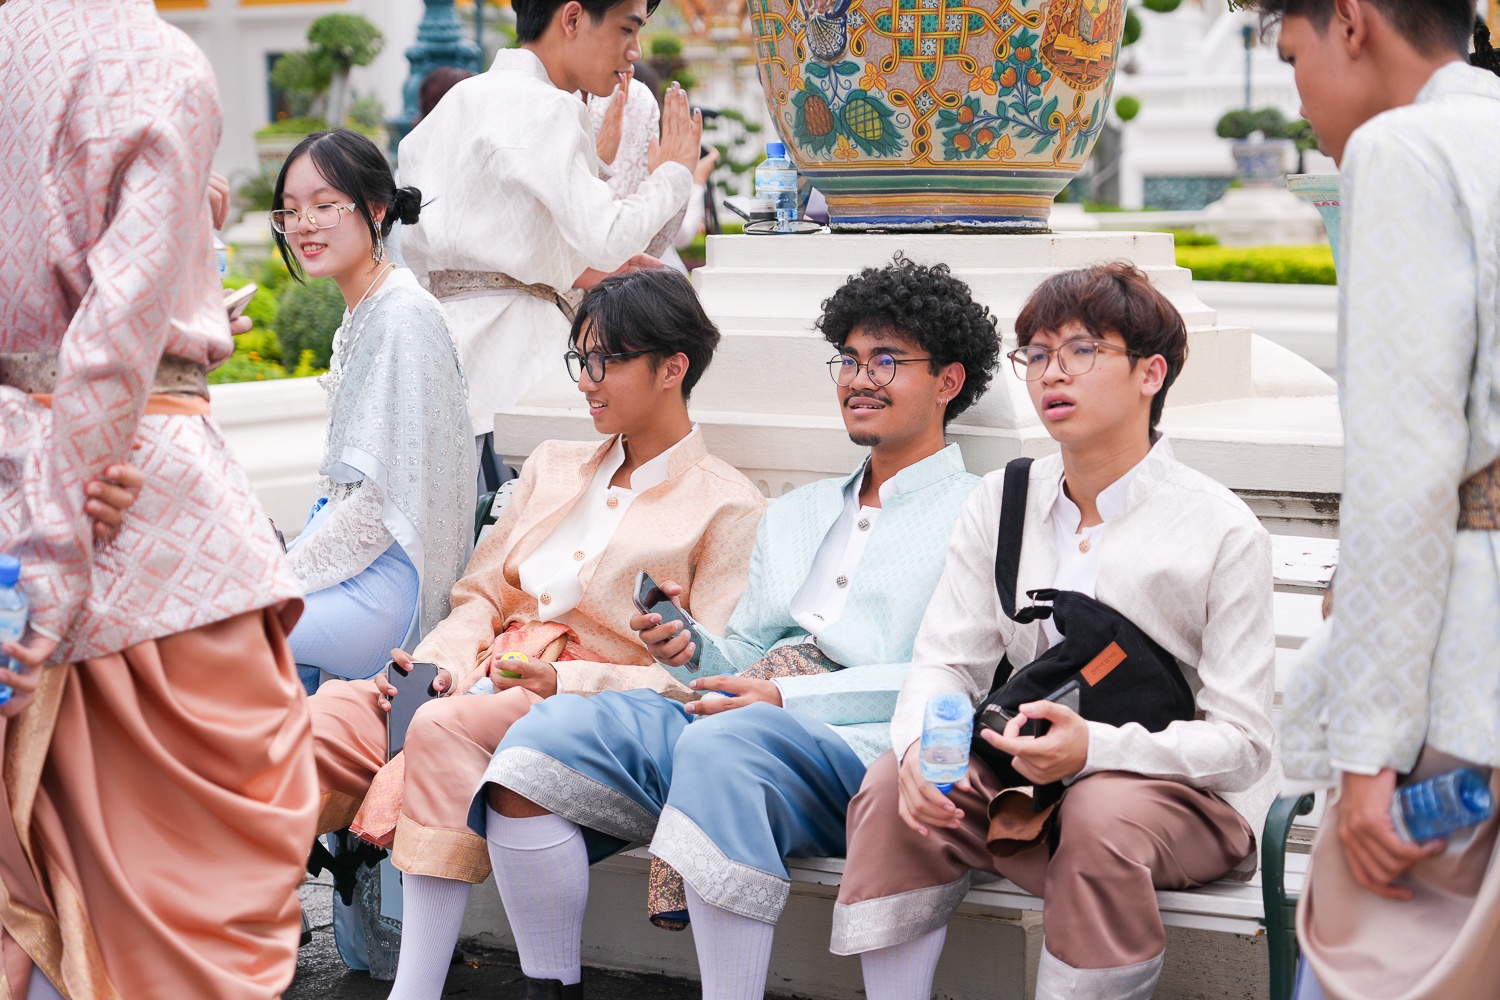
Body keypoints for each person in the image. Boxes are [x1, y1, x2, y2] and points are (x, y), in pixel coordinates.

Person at [485, 255, 1002, 1000]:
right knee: (546, 734)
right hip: (740, 712)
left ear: (949, 381)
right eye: (848, 360)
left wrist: (785, 700)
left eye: (886, 361)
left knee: (724, 743)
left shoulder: (979, 511)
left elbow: (951, 677)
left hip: (858, 742)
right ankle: (550, 988)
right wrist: (690, 646)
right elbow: (750, 653)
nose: (859, 379)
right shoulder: (797, 511)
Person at [306, 266, 766, 999]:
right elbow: (479, 595)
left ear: (672, 367)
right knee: (317, 721)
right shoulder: (553, 466)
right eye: (579, 359)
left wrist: (565, 679)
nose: (585, 381)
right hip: (475, 672)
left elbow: (707, 670)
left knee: (445, 728)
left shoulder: (728, 506)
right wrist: (436, 664)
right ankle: (220, 948)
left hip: (578, 705)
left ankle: (414, 989)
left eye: (605, 361)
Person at [831, 263, 1277, 1000]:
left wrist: (1094, 749)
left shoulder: (1220, 529)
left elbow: (1244, 744)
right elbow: (947, 660)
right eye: (1036, 354)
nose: (1052, 374)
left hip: (1180, 799)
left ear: (1151, 373)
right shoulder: (1002, 500)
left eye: (1082, 351)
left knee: (1100, 812)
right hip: (1024, 784)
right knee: (894, 788)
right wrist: (918, 748)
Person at [0, 0, 318, 996]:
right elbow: (115, 334)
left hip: (25, 479)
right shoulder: (152, 59)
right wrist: (54, 553)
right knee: (194, 907)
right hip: (137, 510)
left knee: (43, 878)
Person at [1259, 2, 1500, 997]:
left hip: (1467, 684)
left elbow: (1404, 473)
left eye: (1292, 56)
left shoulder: (1408, 149)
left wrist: (1365, 758)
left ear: (1351, 21)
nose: (1298, 96)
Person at [397, 0, 701, 478]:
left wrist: (578, 253)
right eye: (626, 29)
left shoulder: (457, 102)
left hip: (437, 359)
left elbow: (484, 233)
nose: (635, 51)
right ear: (573, 18)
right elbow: (607, 239)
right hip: (519, 364)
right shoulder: (549, 105)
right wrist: (675, 174)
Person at [267, 128, 474, 694]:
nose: (304, 224)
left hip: (386, 589)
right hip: (353, 569)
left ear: (376, 209)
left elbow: (379, 510)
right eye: (290, 210)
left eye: (324, 206)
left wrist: (277, 579)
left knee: (222, 629)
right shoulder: (366, 311)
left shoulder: (403, 316)